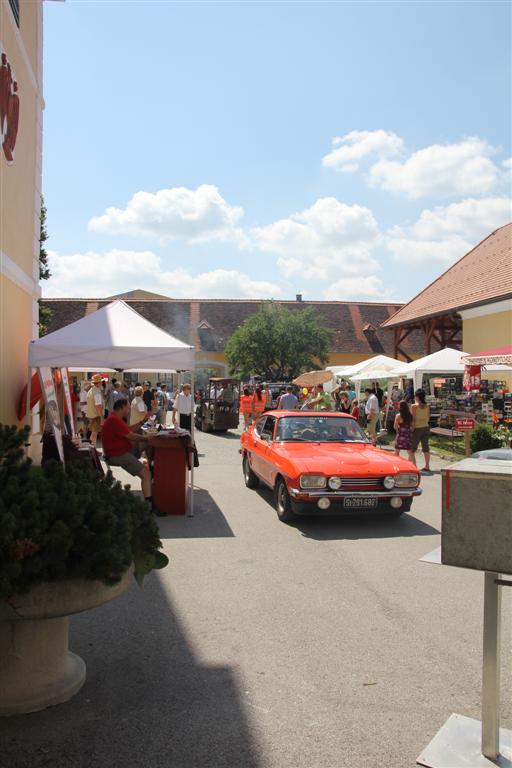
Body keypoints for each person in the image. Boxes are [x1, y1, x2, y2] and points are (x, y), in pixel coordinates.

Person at [101, 398, 153, 505]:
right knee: (146, 474)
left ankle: (151, 466)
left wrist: (142, 422)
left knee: (147, 445)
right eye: (128, 407)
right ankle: (150, 505)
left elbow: (129, 430)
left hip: (121, 451)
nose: (129, 409)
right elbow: (131, 435)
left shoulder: (115, 418)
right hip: (118, 455)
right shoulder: (114, 420)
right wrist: (147, 438)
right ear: (122, 407)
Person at [411, 389, 431, 472]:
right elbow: (428, 417)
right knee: (426, 448)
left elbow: (413, 419)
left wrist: (412, 429)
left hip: (417, 428)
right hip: (426, 427)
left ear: (417, 397)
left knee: (411, 449)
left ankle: (413, 466)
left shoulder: (414, 406)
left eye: (415, 395)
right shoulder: (428, 406)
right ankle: (427, 466)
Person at [86, 374, 105, 448]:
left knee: (94, 433)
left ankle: (92, 449)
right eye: (101, 382)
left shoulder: (91, 390)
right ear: (99, 383)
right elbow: (98, 406)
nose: (102, 383)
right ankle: (92, 449)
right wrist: (102, 417)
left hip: (92, 414)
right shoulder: (96, 392)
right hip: (95, 415)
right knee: (94, 433)